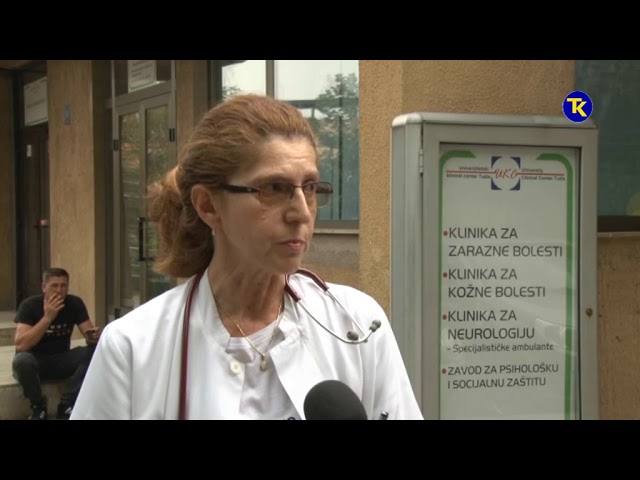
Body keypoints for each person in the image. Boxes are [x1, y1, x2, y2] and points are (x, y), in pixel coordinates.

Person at [71, 94, 423, 420]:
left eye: (310, 187)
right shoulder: (132, 348)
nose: (301, 212)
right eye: (274, 188)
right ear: (209, 206)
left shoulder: (357, 323)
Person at [13, 267, 101, 420]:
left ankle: (67, 404)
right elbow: (21, 345)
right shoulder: (29, 305)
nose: (59, 290)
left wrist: (93, 336)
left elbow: (89, 334)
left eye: (63, 285)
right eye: (54, 285)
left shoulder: (74, 303)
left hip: (61, 359)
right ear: (44, 287)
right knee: (22, 360)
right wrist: (48, 318)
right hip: (34, 363)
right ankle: (38, 406)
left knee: (95, 351)